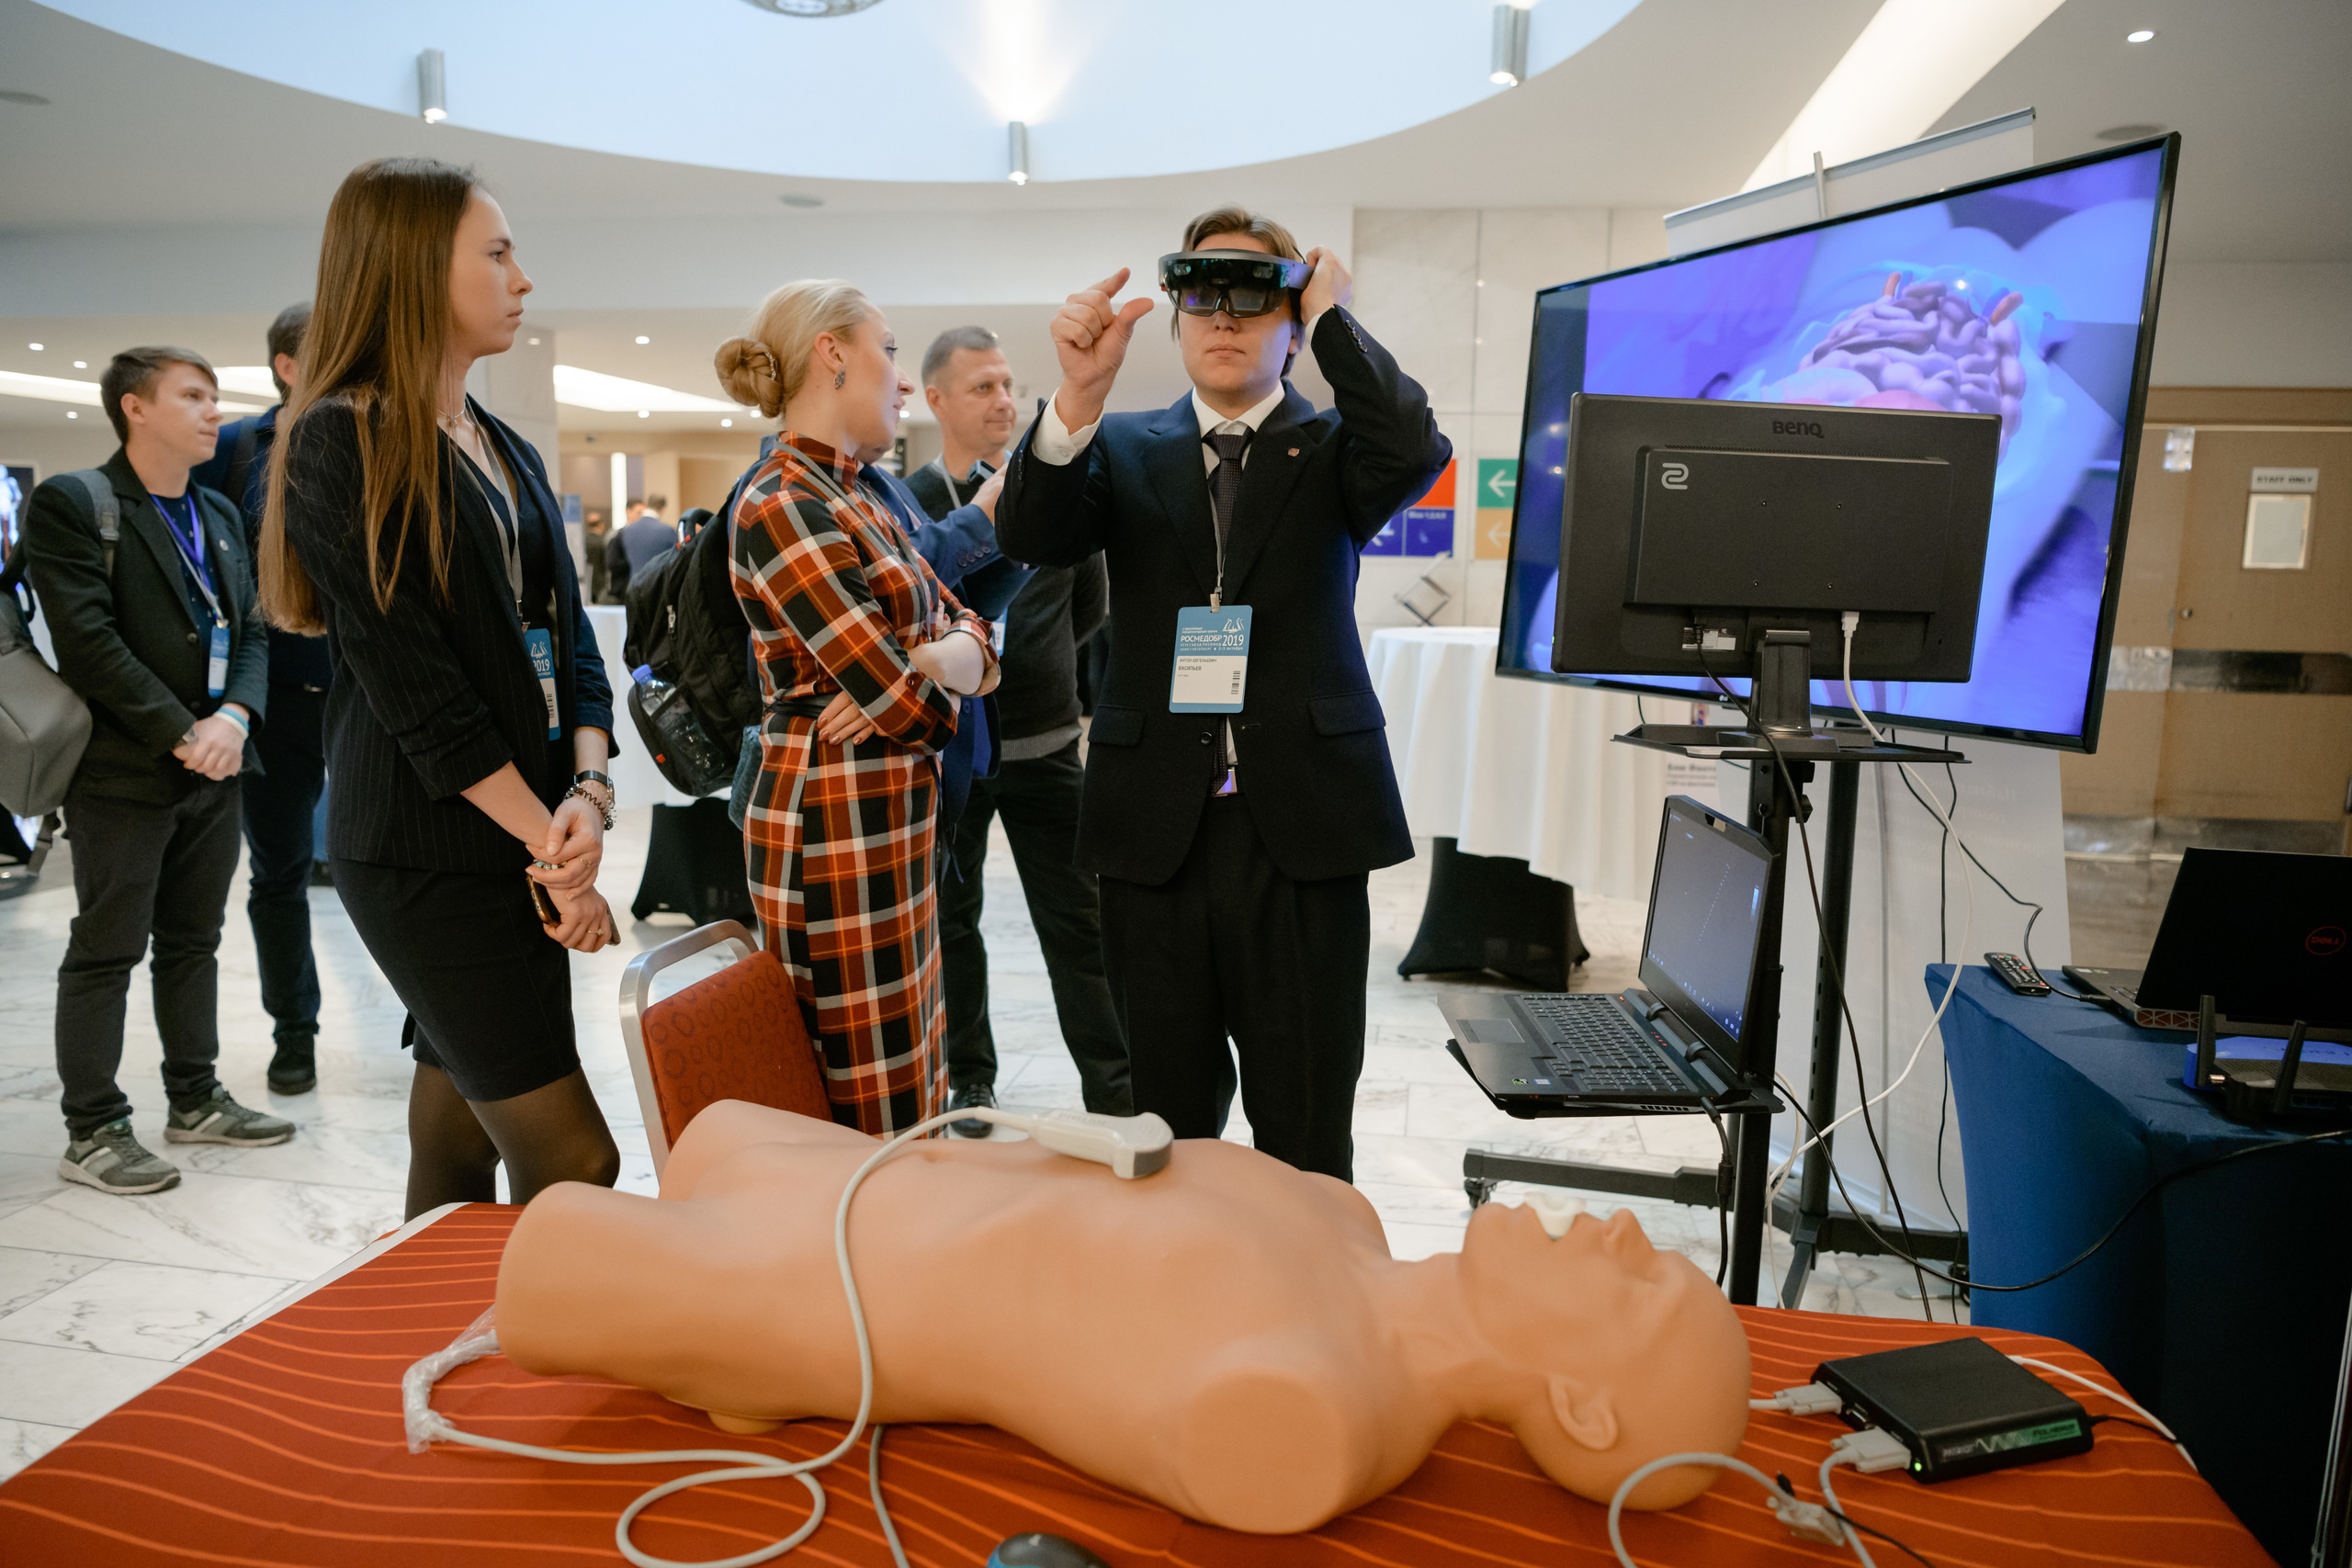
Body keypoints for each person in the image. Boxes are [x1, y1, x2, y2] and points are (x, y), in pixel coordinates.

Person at [497, 1100, 1751, 1533]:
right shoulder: (1349, 1223)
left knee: (549, 1242)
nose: (1628, 1233)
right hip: (866, 1175)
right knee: (711, 1125)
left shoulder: (1308, 1417)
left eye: (1642, 1287)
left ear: (1584, 1403)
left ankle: (723, 1358)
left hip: (799, 1286)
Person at [998, 208, 1449, 1183]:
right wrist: (1078, 392)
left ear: (1290, 318)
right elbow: (1031, 534)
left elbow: (1416, 447)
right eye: (1200, 292)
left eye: (1257, 293)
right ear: (1173, 316)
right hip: (1154, 834)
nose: (1226, 314)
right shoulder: (1121, 447)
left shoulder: (1336, 451)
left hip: (1304, 833)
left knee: (1307, 1123)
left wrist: (1332, 319)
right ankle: (1182, 1314)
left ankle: (1310, 1312)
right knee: (1164, 1124)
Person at [266, 157, 622, 1220]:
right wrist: (555, 851)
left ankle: (432, 1342)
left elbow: (572, 645)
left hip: (520, 836)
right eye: (498, 253)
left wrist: (590, 793)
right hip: (429, 850)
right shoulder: (343, 438)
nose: (522, 279)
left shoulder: (501, 445)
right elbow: (419, 691)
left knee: (459, 1132)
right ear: (419, 267)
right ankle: (530, 1362)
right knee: (578, 1163)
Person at [715, 279, 1000, 1137]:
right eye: (889, 350)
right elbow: (911, 709)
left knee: (911, 1079)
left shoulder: (864, 492)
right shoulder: (781, 499)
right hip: (832, 830)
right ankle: (851, 1269)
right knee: (858, 1110)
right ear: (832, 354)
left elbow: (976, 632)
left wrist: (932, 656)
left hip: (889, 820)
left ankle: (894, 1259)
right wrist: (935, 668)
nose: (902, 379)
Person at [23, 346, 295, 1195]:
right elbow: (88, 641)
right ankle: (94, 1127)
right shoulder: (75, 503)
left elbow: (252, 629)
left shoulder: (214, 508)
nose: (215, 412)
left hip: (215, 765)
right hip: (122, 772)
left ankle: (194, 1096)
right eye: (194, 396)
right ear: (135, 407)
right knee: (107, 947)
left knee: (194, 941)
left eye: (215, 398)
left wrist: (235, 718)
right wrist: (187, 731)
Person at [907, 326, 1128, 1128]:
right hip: (948, 756)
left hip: (1044, 748)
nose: (1005, 402)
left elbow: (1089, 610)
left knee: (1080, 924)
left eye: (1008, 386)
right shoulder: (908, 504)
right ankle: (970, 1076)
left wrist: (1025, 671)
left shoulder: (1053, 493)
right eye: (982, 389)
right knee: (952, 922)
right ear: (936, 400)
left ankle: (1114, 1088)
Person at [190, 302, 328, 1096]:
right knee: (278, 871)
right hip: (270, 699)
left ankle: (433, 1023)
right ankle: (294, 1033)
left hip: (368, 695)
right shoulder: (239, 450)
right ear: (286, 365)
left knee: (403, 864)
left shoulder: (380, 444)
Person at [603, 494, 675, 602]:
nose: (640, 516)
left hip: (634, 588)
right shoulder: (618, 535)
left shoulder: (627, 532)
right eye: (638, 512)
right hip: (632, 590)